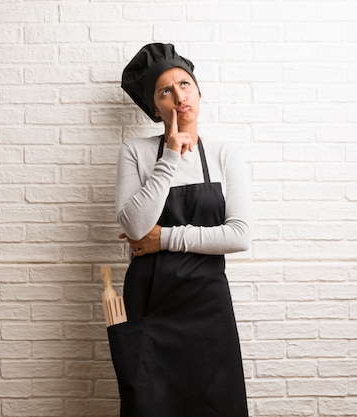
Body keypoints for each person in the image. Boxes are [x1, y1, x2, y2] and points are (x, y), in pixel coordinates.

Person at [108, 43, 253, 417]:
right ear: (155, 107)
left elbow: (238, 235)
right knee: (150, 404)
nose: (178, 96)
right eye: (165, 91)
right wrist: (170, 156)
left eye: (185, 84)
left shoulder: (224, 153)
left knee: (217, 405)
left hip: (207, 305)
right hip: (151, 303)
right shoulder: (136, 152)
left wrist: (164, 238)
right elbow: (135, 225)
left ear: (199, 92)